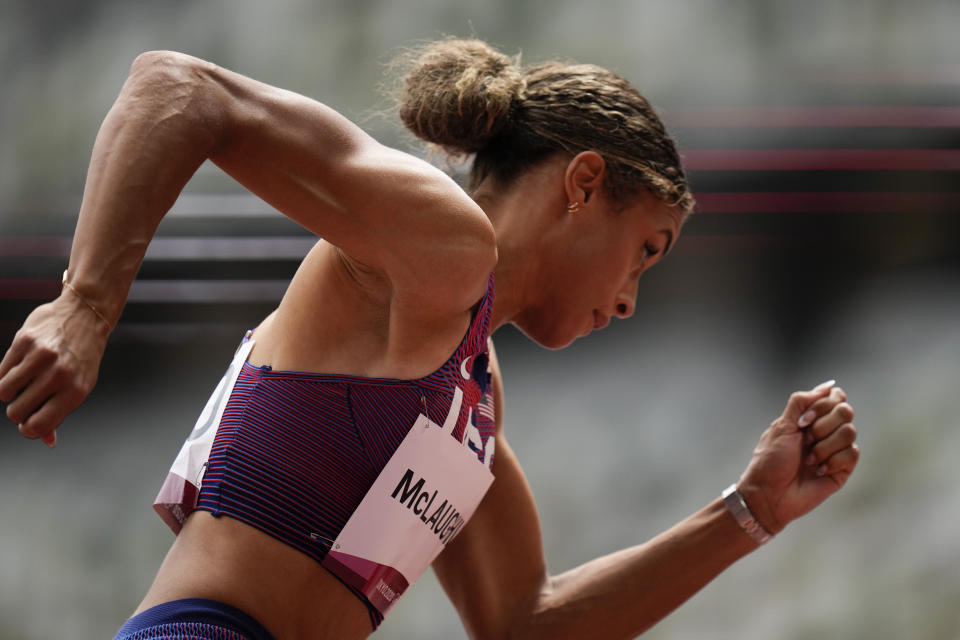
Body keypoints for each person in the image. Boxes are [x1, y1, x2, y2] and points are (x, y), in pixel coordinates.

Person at [0, 38, 859, 640]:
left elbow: (523, 623)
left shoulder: (473, 397)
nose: (631, 300)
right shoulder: (446, 246)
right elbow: (177, 87)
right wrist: (84, 304)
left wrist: (748, 514)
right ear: (584, 184)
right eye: (644, 252)